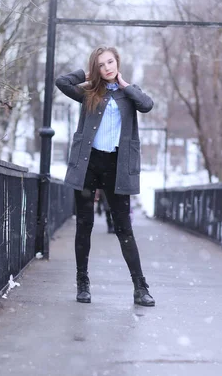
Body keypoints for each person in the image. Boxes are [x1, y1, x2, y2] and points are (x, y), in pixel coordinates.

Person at [55, 45, 155, 307]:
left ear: (117, 63)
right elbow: (62, 82)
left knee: (124, 228)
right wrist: (86, 74)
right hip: (88, 164)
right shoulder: (89, 93)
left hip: (116, 166)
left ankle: (140, 287)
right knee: (84, 225)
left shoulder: (129, 94)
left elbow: (147, 105)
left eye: (110, 62)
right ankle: (83, 282)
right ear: (96, 68)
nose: (107, 67)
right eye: (101, 64)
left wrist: (125, 85)